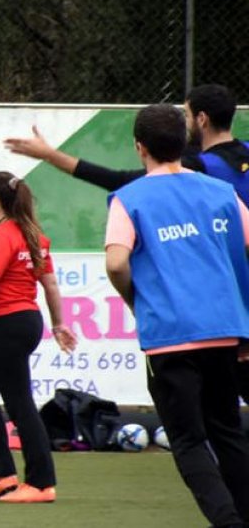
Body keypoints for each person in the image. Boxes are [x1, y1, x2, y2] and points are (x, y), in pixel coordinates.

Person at [6, 83, 249, 410]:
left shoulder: (196, 170)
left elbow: (120, 184)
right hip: (231, 307)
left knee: (198, 416)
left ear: (202, 119)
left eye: (187, 114)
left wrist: (50, 155)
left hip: (212, 309)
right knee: (226, 413)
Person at [105, 103, 249, 526]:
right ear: (186, 142)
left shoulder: (130, 198)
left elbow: (116, 263)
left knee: (187, 440)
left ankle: (228, 521)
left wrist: (134, 299)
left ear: (139, 148)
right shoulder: (220, 191)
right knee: (228, 432)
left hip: (170, 336)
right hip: (224, 329)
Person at [0, 171, 78, 504]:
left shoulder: (3, 237)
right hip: (21, 323)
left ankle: (41, 483)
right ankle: (3, 474)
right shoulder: (31, 234)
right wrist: (58, 325)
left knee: (19, 403)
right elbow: (50, 284)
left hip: (7, 326)